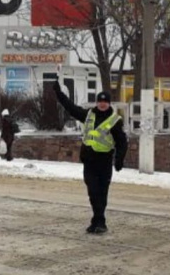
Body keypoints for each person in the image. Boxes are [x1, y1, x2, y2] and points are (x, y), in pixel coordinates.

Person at [52, 80, 127, 235]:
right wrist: (59, 93)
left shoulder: (114, 121)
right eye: (100, 101)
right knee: (93, 192)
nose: (102, 104)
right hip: (89, 161)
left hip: (104, 162)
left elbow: (122, 142)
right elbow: (71, 108)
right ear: (97, 102)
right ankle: (98, 220)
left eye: (105, 102)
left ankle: (99, 221)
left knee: (102, 192)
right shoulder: (88, 115)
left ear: (109, 103)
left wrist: (119, 159)